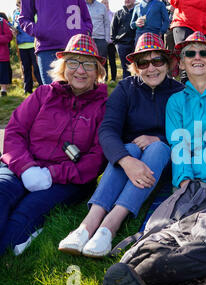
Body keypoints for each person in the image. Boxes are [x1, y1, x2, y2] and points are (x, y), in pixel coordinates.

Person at [101, 31, 206, 285]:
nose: (197, 57)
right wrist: (184, 175)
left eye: (203, 53)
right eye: (189, 53)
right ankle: (163, 280)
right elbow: (178, 143)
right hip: (194, 174)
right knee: (177, 226)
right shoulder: (176, 101)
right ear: (181, 63)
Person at [58, 33, 183, 258]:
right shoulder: (126, 89)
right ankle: (88, 225)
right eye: (143, 62)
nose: (151, 68)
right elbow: (107, 130)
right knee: (131, 148)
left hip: (164, 161)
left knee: (157, 148)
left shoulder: (179, 92)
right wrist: (126, 161)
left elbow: (188, 133)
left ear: (167, 63)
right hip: (128, 160)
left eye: (158, 61)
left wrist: (161, 139)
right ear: (135, 66)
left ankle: (110, 225)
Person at [0, 34, 107, 256]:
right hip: (21, 167)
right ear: (63, 66)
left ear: (97, 71)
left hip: (66, 179)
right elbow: (14, 132)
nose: (80, 70)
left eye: (88, 64)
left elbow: (96, 159)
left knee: (25, 214)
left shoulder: (104, 107)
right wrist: (26, 168)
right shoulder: (42, 94)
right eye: (73, 62)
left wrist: (51, 174)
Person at [19, 0, 93, 85]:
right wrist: (39, 30)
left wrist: (86, 32)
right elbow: (24, 18)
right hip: (48, 48)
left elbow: (86, 18)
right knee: (53, 94)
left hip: (76, 48)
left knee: (78, 93)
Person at [12, 0, 43, 95]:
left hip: (33, 44)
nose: (20, 5)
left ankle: (42, 87)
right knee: (26, 68)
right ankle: (27, 89)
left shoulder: (34, 11)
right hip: (21, 45)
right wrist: (14, 31)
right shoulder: (15, 14)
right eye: (18, 4)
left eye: (21, 3)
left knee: (37, 67)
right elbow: (15, 27)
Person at [86, 0, 111, 81]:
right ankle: (88, 81)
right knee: (87, 61)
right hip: (87, 39)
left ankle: (102, 81)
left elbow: (107, 23)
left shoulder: (102, 6)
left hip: (101, 39)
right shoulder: (81, 5)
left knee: (101, 62)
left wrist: (106, 39)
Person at [111, 0, 136, 79]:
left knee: (137, 66)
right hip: (122, 44)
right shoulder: (118, 13)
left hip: (135, 44)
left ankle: (138, 86)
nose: (127, 0)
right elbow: (113, 29)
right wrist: (116, 43)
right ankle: (127, 86)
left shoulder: (138, 12)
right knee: (125, 68)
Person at [101, 0, 118, 82]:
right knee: (104, 61)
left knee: (112, 60)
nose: (105, 4)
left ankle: (113, 78)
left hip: (111, 42)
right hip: (103, 41)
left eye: (106, 3)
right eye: (103, 3)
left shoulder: (113, 14)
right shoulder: (100, 15)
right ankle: (105, 77)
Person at [0, 13, 12, 97]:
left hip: (2, 54)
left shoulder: (2, 21)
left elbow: (9, 36)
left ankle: (3, 90)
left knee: (3, 72)